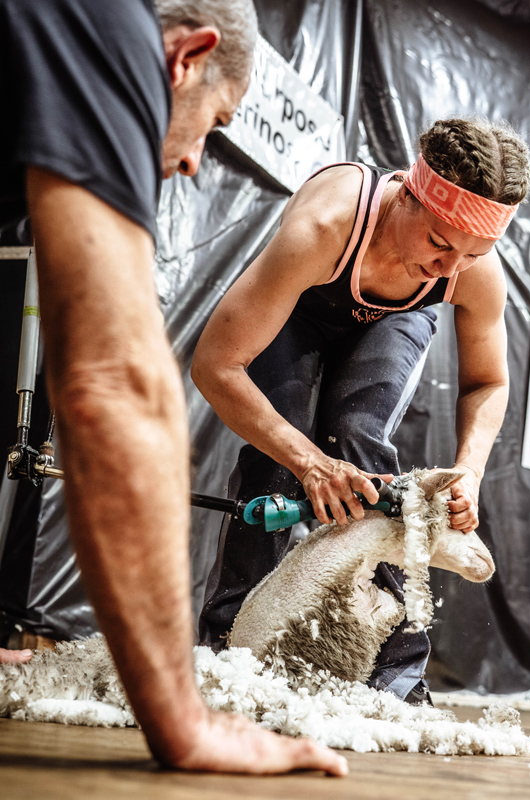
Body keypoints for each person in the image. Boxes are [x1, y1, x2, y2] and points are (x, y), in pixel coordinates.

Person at [0, 0, 348, 777]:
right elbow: (112, 383)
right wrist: (183, 718)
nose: (195, 159)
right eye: (213, 124)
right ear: (187, 57)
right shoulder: (107, 34)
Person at [192, 117, 530, 701]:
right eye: (440, 243)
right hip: (301, 302)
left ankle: (392, 677)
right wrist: (307, 463)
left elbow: (487, 383)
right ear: (407, 195)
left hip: (396, 318)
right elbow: (216, 365)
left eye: (473, 254)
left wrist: (469, 473)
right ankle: (227, 656)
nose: (450, 269)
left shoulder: (470, 273)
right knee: (279, 455)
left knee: (362, 447)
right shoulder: (326, 224)